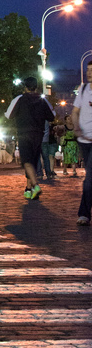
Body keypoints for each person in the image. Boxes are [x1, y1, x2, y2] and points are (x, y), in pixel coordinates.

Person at [5, 77, 54, 200]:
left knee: (27, 161)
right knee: (33, 161)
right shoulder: (42, 101)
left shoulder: (19, 99)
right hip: (38, 134)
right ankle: (29, 189)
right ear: (36, 87)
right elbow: (52, 116)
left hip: (24, 133)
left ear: (24, 87)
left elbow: (8, 115)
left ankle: (36, 186)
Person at [72, 61, 92, 225]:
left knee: (90, 177)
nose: (89, 73)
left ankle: (84, 213)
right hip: (84, 140)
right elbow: (75, 112)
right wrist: (76, 126)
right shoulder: (83, 89)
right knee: (90, 175)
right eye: (88, 70)